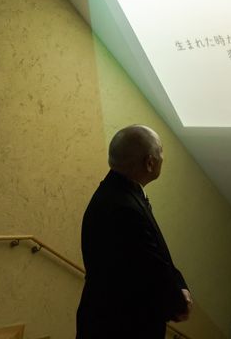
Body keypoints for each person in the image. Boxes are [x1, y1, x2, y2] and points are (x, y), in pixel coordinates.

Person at [76, 125, 192, 339]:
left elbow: (157, 252)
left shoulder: (116, 191)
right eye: (161, 152)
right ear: (149, 162)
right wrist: (178, 302)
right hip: (121, 328)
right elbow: (150, 270)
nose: (163, 158)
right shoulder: (125, 208)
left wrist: (179, 285)